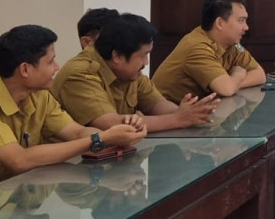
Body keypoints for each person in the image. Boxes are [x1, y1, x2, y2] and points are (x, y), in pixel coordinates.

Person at [0, 25, 145, 208]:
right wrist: (100, 140)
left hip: (7, 199)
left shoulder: (39, 96)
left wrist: (120, 133)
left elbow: (76, 132)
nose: (57, 67)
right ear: (25, 69)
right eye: (51, 61)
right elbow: (19, 160)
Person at [53, 13, 219, 132]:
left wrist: (190, 112)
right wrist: (177, 119)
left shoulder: (129, 72)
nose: (146, 63)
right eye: (143, 55)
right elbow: (109, 124)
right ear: (117, 55)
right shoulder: (80, 74)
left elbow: (157, 104)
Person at [152, 0, 266, 103]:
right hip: (167, 115)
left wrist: (233, 83)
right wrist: (238, 74)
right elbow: (226, 89)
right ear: (220, 23)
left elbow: (260, 75)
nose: (246, 27)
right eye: (241, 21)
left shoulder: (233, 44)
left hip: (198, 113)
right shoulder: (197, 47)